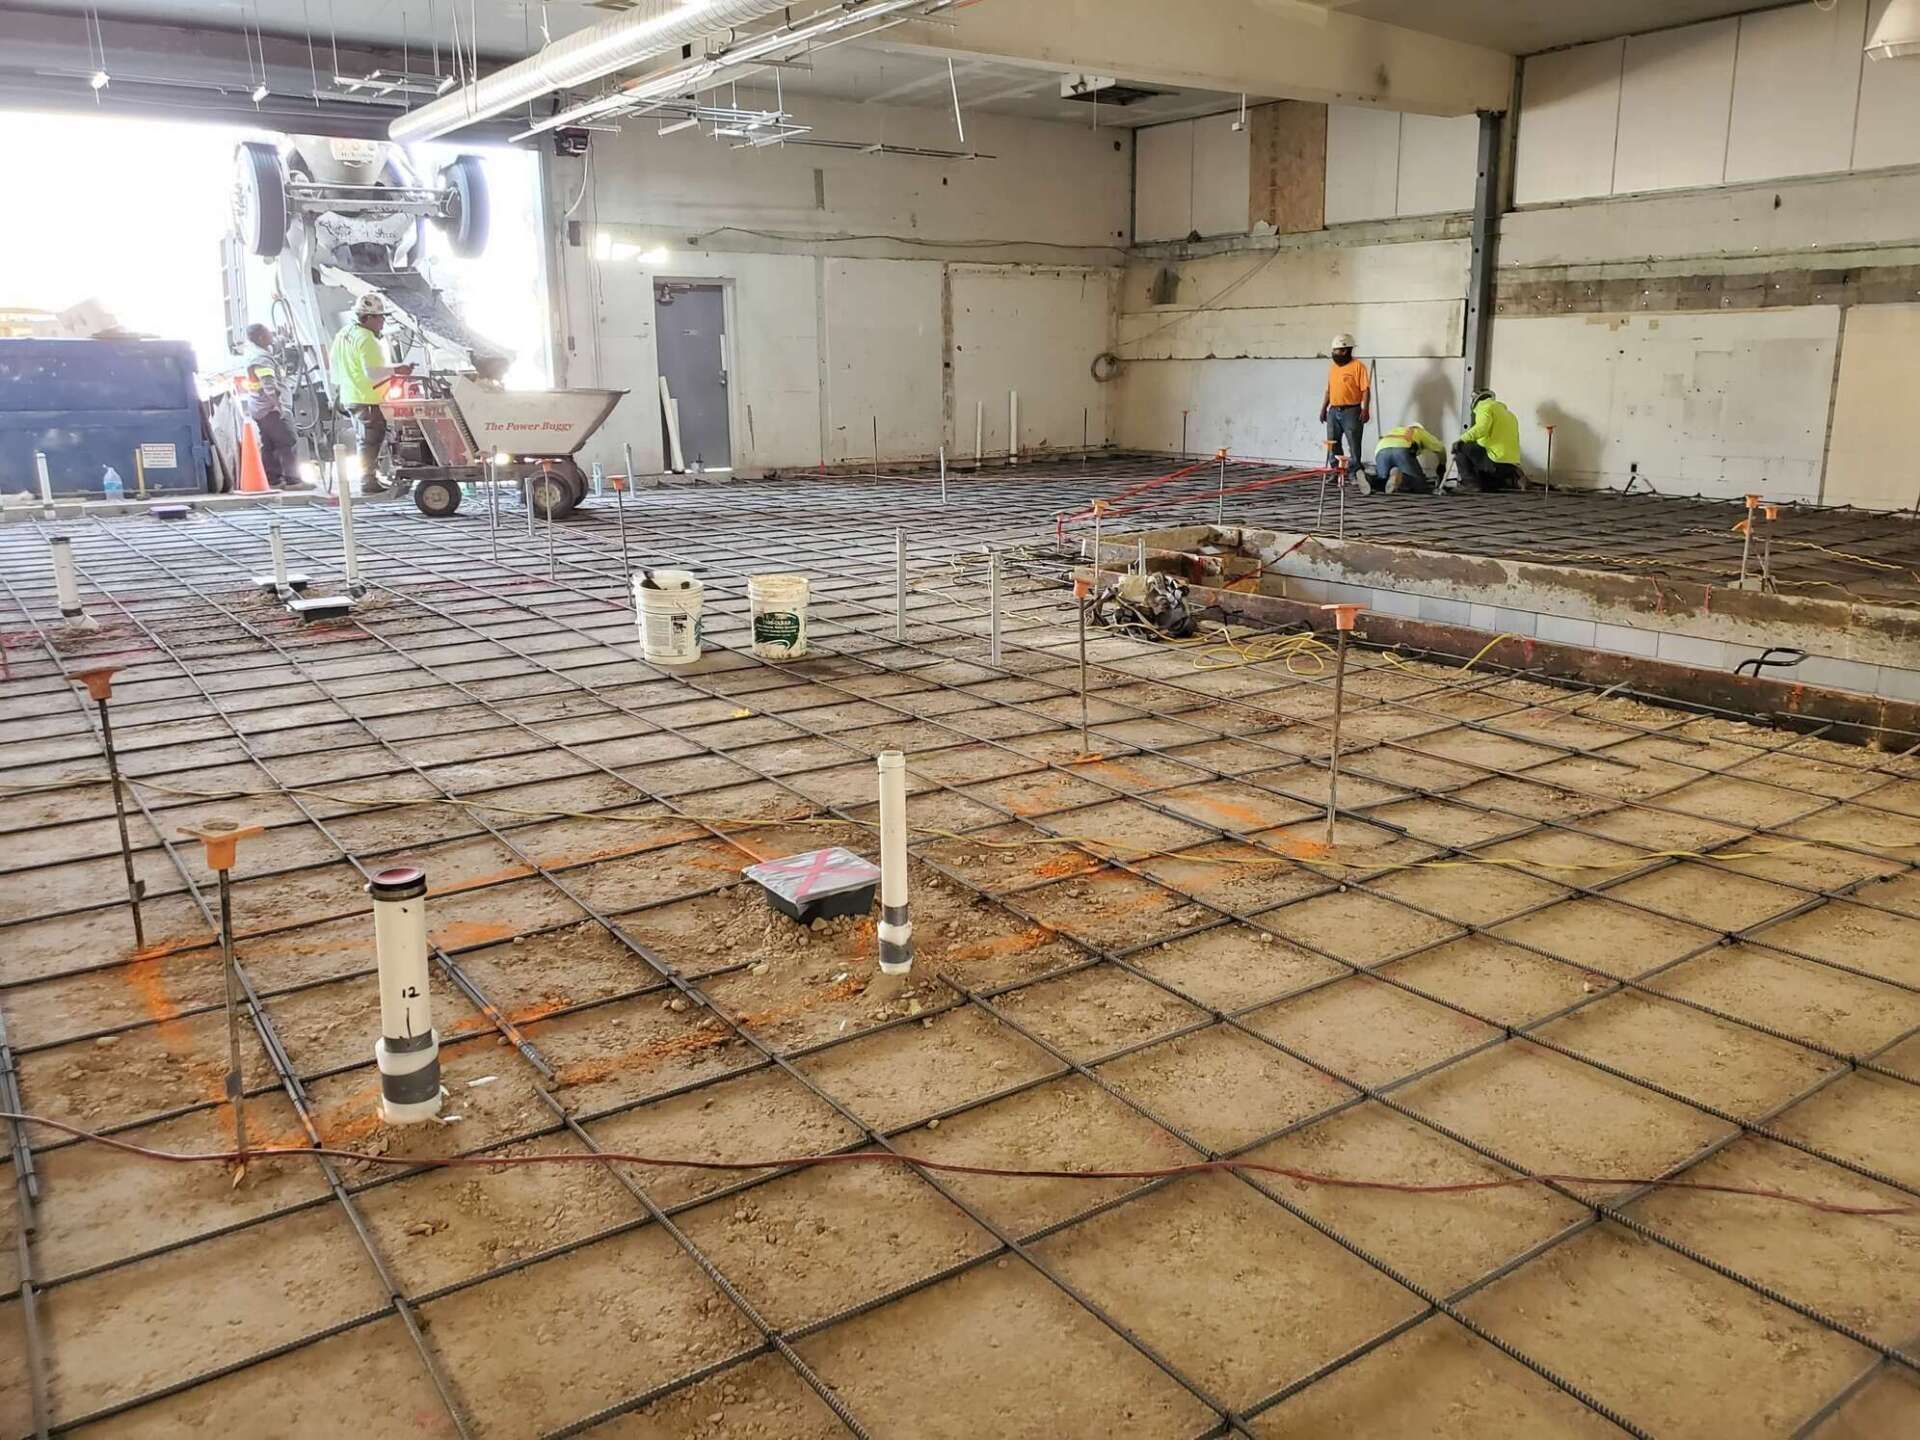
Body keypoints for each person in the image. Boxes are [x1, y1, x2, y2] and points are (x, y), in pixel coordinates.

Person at [329, 293, 413, 496]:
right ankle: (368, 480)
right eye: (380, 317)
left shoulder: (345, 333)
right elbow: (372, 372)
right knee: (370, 440)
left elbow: (334, 362)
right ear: (367, 318)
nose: (383, 321)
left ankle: (370, 476)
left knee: (365, 439)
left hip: (350, 395)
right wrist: (397, 369)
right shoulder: (368, 340)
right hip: (367, 398)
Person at [241, 323, 309, 491]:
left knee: (269, 445)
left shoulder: (255, 352)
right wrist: (279, 407)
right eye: (268, 333)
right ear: (261, 338)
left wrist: (284, 336)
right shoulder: (262, 359)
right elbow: (269, 386)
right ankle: (293, 480)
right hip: (270, 408)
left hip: (259, 408)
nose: (272, 335)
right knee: (287, 442)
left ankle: (273, 479)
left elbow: (274, 345)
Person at [1318, 334, 1371, 491]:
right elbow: (1329, 391)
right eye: (1334, 350)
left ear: (1347, 350)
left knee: (1354, 444)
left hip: (1352, 410)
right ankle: (1336, 472)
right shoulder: (1333, 368)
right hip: (1334, 410)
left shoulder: (1358, 366)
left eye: (1339, 350)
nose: (1336, 354)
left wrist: (1365, 409)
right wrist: (1323, 409)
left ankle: (1354, 473)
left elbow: (1365, 390)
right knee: (1332, 443)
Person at [1453, 388, 1524, 492]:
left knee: (1462, 448)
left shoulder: (1484, 407)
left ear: (1475, 401)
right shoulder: (1509, 414)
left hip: (1495, 459)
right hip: (1511, 462)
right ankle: (1508, 478)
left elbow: (1481, 428)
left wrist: (1461, 440)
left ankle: (1469, 483)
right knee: (1486, 485)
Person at [1372, 421, 1446, 494]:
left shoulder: (1394, 431)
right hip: (1402, 449)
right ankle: (1399, 477)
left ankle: (1369, 480)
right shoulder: (1418, 431)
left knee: (1382, 483)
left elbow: (1377, 453)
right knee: (1419, 484)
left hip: (1381, 451)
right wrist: (1442, 464)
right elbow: (1440, 448)